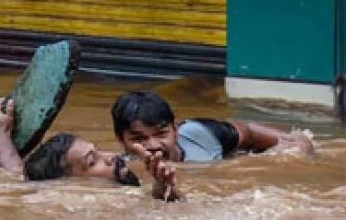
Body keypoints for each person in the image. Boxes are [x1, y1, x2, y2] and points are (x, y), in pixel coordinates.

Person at [0, 98, 183, 202]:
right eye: (92, 162)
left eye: (99, 152)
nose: (112, 157)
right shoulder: (89, 207)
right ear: (69, 185)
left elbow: (18, 178)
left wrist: (0, 137)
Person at [110, 90, 314, 162]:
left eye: (161, 134)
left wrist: (297, 147)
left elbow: (249, 132)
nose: (153, 145)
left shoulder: (201, 134)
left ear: (176, 128)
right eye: (138, 139)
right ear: (120, 140)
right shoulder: (119, 170)